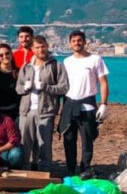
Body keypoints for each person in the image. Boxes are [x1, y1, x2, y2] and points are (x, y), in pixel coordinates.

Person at [59, 30, 110, 177]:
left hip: (87, 106)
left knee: (87, 139)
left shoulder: (95, 59)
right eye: (74, 41)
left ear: (84, 41)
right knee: (68, 138)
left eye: (79, 40)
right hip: (69, 104)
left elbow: (103, 82)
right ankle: (70, 168)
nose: (77, 43)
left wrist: (103, 103)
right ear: (70, 44)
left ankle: (85, 167)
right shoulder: (67, 62)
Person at [16, 35, 69, 171]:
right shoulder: (26, 67)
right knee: (25, 142)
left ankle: (44, 169)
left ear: (47, 46)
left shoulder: (57, 65)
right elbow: (18, 88)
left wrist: (46, 87)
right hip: (26, 111)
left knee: (44, 143)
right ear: (32, 49)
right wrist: (25, 87)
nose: (41, 50)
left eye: (43, 46)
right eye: (37, 47)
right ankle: (25, 168)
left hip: (46, 111)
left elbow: (64, 87)